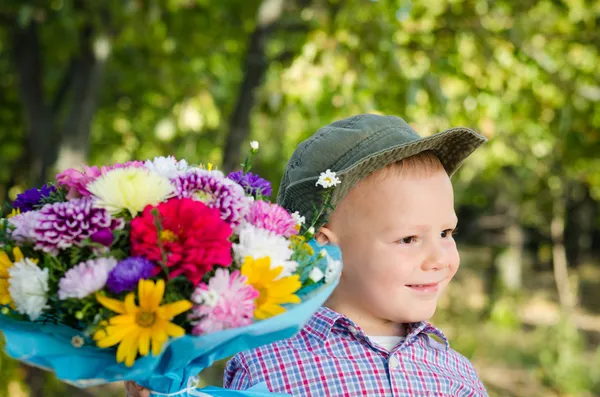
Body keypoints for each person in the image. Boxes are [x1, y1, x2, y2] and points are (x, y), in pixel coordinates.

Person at [223, 114, 489, 396]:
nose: (438, 259)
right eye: (409, 239)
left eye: (446, 233)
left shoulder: (455, 374)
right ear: (327, 249)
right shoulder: (267, 369)